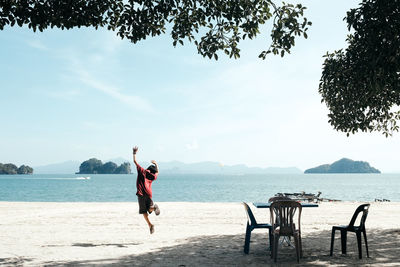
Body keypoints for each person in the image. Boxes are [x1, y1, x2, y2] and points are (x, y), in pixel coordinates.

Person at [132, 146, 160, 234]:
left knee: (144, 211)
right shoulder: (152, 176)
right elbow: (157, 173)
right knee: (149, 208)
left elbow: (135, 162)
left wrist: (134, 153)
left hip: (141, 194)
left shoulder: (142, 171)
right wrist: (156, 164)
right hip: (149, 194)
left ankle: (150, 225)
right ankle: (153, 209)